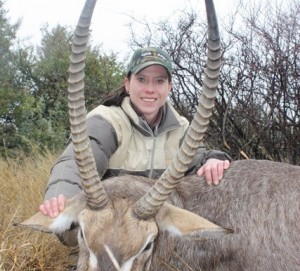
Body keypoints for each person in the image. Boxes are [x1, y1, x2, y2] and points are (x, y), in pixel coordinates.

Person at [40, 46, 231, 219]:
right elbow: (77, 159)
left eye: (159, 81)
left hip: (154, 226)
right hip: (110, 223)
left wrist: (213, 160)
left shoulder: (180, 128)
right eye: (141, 79)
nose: (150, 89)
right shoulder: (106, 120)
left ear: (169, 87)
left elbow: (199, 157)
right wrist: (62, 195)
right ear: (127, 84)